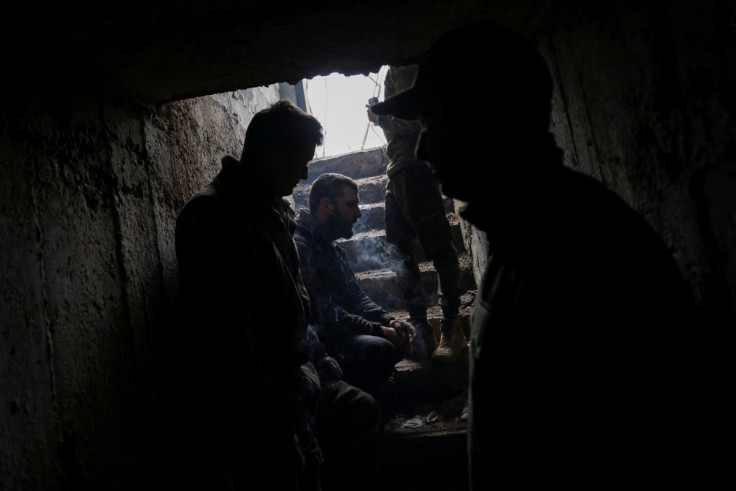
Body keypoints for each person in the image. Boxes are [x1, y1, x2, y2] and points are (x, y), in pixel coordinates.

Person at [370, 21, 707, 490]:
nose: (424, 148)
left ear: (486, 119)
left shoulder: (577, 255)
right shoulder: (527, 233)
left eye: (435, 123)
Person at [173, 99, 363, 490]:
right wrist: (273, 428)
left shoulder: (271, 211)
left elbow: (288, 302)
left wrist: (314, 354)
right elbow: (230, 342)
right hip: (260, 413)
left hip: (294, 393)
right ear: (273, 157)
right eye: (300, 161)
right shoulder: (217, 216)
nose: (305, 173)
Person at [367, 65, 467, 363]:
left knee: (439, 249)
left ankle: (452, 327)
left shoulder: (411, 65)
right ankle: (421, 327)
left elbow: (417, 120)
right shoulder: (392, 72)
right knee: (399, 252)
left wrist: (381, 117)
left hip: (415, 168)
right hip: (396, 170)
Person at [293, 172, 417, 397]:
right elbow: (324, 314)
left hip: (342, 331)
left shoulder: (334, 249)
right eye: (351, 205)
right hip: (320, 344)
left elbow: (355, 296)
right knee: (380, 349)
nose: (358, 213)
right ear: (326, 205)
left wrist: (388, 320)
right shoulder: (300, 246)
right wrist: (379, 330)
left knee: (397, 337)